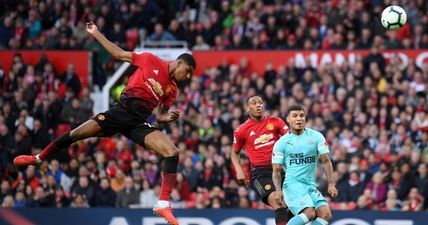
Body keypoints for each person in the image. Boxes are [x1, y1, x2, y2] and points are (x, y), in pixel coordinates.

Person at [13, 21, 196, 225]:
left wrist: (167, 117)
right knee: (75, 135)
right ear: (179, 63)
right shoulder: (150, 59)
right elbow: (118, 54)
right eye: (187, 71)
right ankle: (39, 158)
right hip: (120, 112)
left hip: (138, 123)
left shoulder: (172, 89)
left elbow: (160, 116)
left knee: (172, 152)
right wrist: (96, 33)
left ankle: (163, 204)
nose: (187, 77)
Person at [272, 104, 338, 225]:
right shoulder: (282, 143)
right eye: (295, 116)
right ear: (288, 118)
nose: (299, 119)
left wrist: (331, 184)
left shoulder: (316, 136)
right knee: (309, 213)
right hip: (293, 186)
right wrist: (277, 190)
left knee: (326, 215)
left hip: (310, 186)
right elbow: (276, 170)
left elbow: (326, 160)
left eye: (302, 116)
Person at [232, 95, 291, 225]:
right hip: (260, 174)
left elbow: (290, 139)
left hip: (279, 170)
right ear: (247, 108)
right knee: (278, 201)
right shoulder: (241, 130)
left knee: (292, 206)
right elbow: (234, 153)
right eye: (254, 103)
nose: (258, 105)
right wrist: (239, 170)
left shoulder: (275, 122)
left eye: (260, 102)